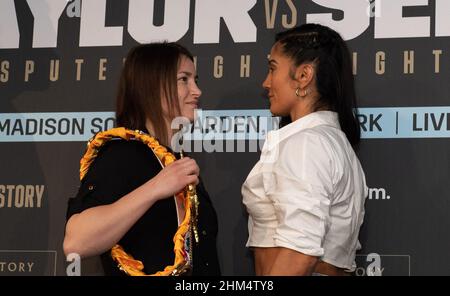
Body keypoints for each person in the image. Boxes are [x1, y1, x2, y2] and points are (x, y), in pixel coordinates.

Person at [63, 42, 220, 276]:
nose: (197, 91)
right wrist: (157, 187)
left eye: (195, 80)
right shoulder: (123, 153)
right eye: (184, 79)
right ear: (152, 86)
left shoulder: (177, 161)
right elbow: (76, 242)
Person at [242, 24, 368, 276]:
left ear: (303, 75)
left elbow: (300, 252)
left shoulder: (306, 144)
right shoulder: (328, 140)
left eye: (272, 68)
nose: (266, 83)